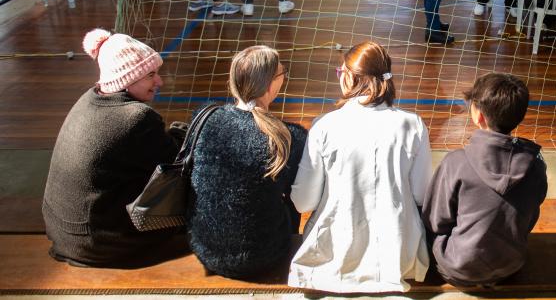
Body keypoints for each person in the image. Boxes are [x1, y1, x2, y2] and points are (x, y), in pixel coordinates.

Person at [288, 41, 432, 292]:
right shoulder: (413, 124)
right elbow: (421, 193)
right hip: (398, 256)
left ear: (349, 78)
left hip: (334, 255)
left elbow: (303, 203)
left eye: (340, 71)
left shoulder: (325, 125)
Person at [43, 28, 187, 267]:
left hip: (64, 232)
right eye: (151, 75)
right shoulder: (136, 118)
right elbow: (176, 162)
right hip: (97, 244)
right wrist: (182, 132)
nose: (159, 81)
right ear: (128, 79)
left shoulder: (88, 98)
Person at [187, 45, 306, 278]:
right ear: (270, 84)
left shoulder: (204, 117)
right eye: (283, 73)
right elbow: (301, 200)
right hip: (264, 255)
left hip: (205, 248)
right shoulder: (289, 137)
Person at [423, 73, 547, 286]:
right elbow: (531, 216)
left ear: (478, 116)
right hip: (510, 265)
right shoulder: (535, 166)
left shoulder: (456, 162)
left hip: (457, 267)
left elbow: (435, 221)